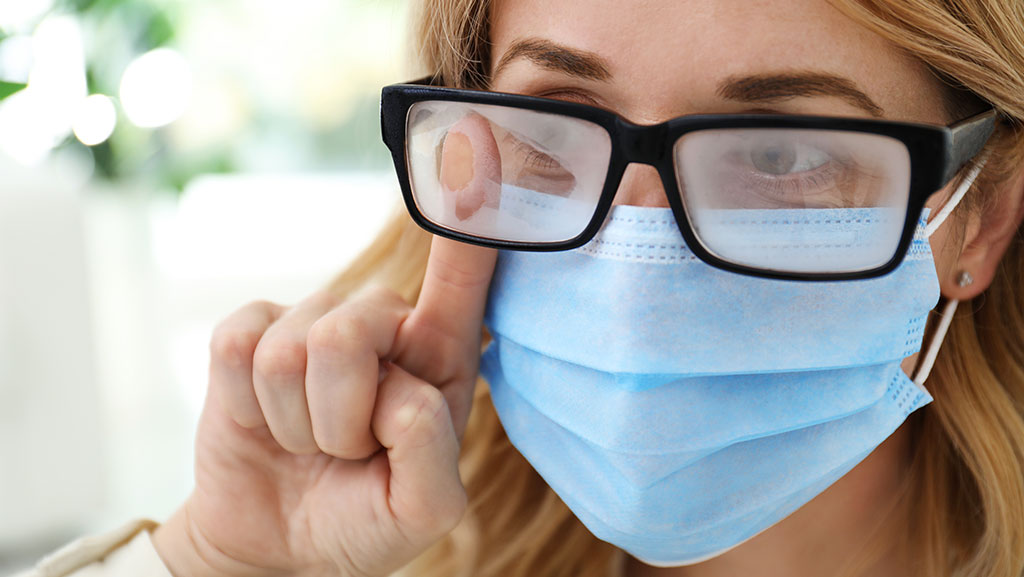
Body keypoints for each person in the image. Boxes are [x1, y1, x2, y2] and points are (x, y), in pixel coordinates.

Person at [19, 0, 1024, 576]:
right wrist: (216, 561)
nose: (640, 253)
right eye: (557, 124)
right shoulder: (368, 546)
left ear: (979, 215)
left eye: (781, 152)